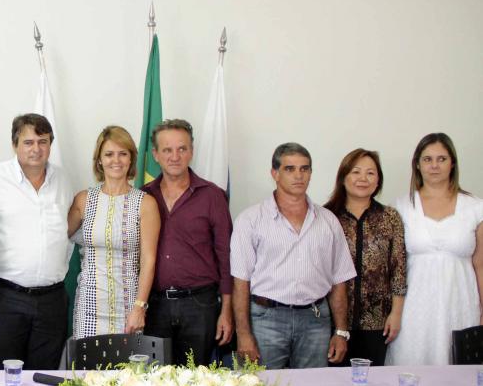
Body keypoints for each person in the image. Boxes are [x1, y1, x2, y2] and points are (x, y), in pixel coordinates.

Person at [231, 143, 355, 369]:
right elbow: (240, 282)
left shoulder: (328, 221)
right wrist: (243, 335)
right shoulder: (250, 220)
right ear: (274, 174)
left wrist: (341, 331)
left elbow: (340, 280)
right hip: (264, 320)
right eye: (290, 169)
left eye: (304, 169)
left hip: (315, 320)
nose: (299, 175)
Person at [0, 114, 74, 370]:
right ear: (14, 144)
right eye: (28, 142)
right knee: (5, 377)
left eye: (43, 141)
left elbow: (66, 233)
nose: (36, 149)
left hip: (53, 300)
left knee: (44, 378)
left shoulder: (64, 180)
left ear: (50, 144)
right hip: (6, 299)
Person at [141, 119, 233, 366]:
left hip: (200, 306)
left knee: (196, 384)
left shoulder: (212, 196)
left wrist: (227, 310)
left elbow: (226, 256)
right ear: (155, 155)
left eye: (182, 149)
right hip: (155, 305)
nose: (175, 156)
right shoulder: (143, 196)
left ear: (191, 152)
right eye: (167, 150)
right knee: (154, 384)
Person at [387, 133, 483, 365]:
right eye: (427, 159)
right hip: (414, 309)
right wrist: (393, 312)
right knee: (410, 371)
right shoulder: (401, 207)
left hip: (460, 304)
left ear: (453, 163)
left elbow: (480, 263)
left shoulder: (475, 207)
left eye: (441, 159)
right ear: (417, 165)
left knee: (458, 377)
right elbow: (393, 267)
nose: (434, 165)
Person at [67, 126, 160, 339]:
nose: (115, 160)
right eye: (109, 154)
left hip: (127, 306)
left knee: (126, 372)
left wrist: (139, 308)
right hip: (88, 305)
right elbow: (56, 234)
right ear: (99, 160)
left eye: (122, 154)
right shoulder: (83, 199)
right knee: (85, 371)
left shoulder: (145, 203)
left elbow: (149, 260)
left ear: (131, 159)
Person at [324, 149, 406, 366]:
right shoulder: (326, 216)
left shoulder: (390, 217)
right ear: (343, 177)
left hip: (377, 322)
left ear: (378, 180)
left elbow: (398, 269)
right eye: (356, 172)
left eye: (370, 173)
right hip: (333, 322)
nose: (363, 178)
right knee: (333, 385)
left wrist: (396, 314)